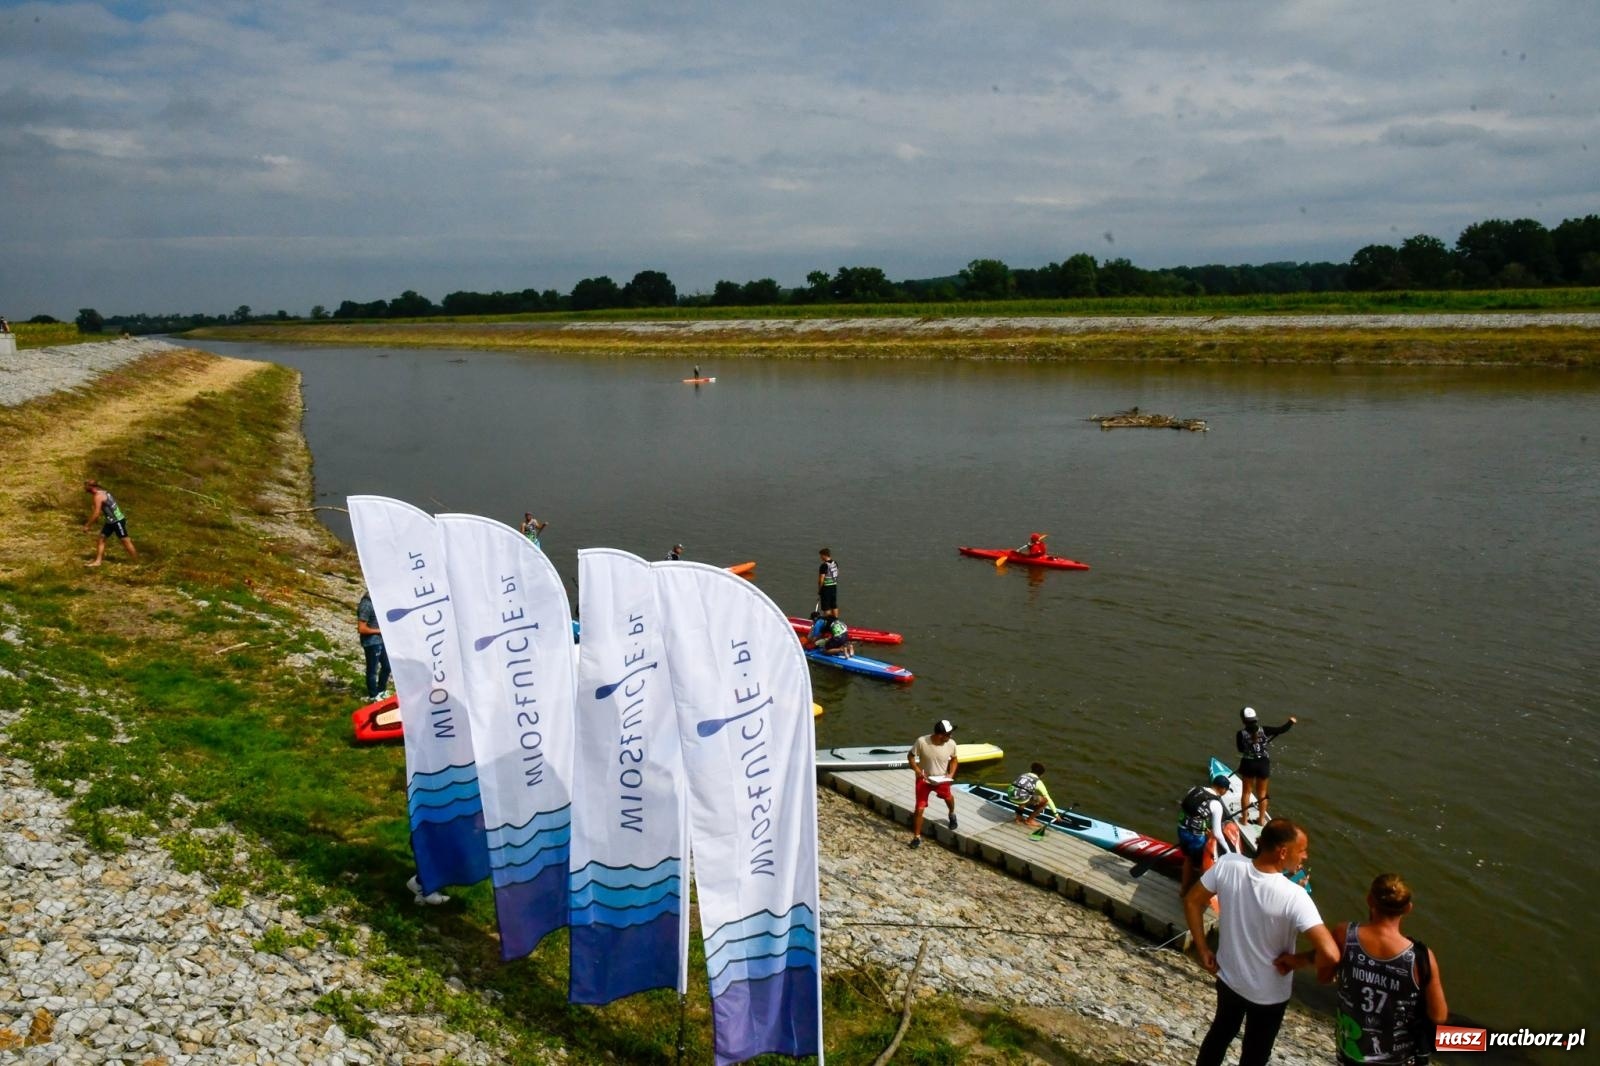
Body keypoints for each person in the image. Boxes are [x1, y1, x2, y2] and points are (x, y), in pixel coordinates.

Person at [1184, 818, 1336, 1066]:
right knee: (1255, 1055)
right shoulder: (1295, 897)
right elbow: (1330, 954)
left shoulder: (1228, 864)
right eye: (1302, 850)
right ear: (1283, 852)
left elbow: (1192, 901)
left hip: (1229, 978)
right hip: (1268, 995)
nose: (1306, 856)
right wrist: (1297, 961)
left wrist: (1203, 949)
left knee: (1219, 1036)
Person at [1280, 873, 1448, 1065]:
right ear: (1408, 908)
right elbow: (1439, 1015)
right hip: (1397, 1058)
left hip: (1351, 1050)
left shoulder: (1345, 935)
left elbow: (1324, 977)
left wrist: (1290, 961)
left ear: (1369, 899)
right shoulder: (1421, 957)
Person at [1236, 706, 1297, 825]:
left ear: (1243, 720)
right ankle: (1261, 820)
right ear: (1255, 719)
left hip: (1248, 764)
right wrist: (1291, 722)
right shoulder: (1265, 730)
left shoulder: (1240, 734)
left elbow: (1241, 749)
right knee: (1262, 794)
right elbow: (1282, 730)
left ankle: (1244, 820)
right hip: (1263, 763)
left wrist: (1251, 746)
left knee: (1246, 792)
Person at [1177, 774, 1236, 894]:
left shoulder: (1194, 789)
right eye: (1225, 790)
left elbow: (1189, 809)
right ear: (1222, 789)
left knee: (1188, 859)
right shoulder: (1216, 804)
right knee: (1203, 865)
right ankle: (1197, 893)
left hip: (1181, 830)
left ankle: (1183, 890)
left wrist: (1204, 827)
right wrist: (1228, 851)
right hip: (1196, 838)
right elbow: (1218, 833)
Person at [906, 720, 960, 847]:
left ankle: (951, 814)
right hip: (924, 780)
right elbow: (910, 756)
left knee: (948, 797)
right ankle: (917, 837)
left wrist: (951, 774)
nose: (950, 736)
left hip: (941, 779)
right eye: (948, 734)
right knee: (919, 809)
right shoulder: (922, 742)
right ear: (940, 734)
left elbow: (954, 760)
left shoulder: (951, 744)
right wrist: (917, 770)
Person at [82, 479, 137, 566]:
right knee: (101, 539)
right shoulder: (103, 492)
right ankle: (98, 561)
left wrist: (87, 525)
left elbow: (96, 513)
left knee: (125, 541)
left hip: (117, 520)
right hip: (110, 521)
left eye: (86, 486)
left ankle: (136, 562)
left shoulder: (98, 496)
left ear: (91, 487)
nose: (84, 488)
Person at [356, 589, 391, 699]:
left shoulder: (377, 602)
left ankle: (381, 690)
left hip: (381, 640)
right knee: (372, 670)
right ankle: (373, 695)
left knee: (387, 666)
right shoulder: (366, 605)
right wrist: (379, 631)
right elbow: (361, 629)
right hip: (371, 642)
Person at [1008, 762, 1059, 827]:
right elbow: (1048, 799)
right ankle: (1029, 820)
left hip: (1010, 796)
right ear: (1041, 774)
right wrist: (1056, 814)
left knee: (1025, 794)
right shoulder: (1038, 781)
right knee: (1045, 801)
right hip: (1021, 798)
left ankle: (1019, 817)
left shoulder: (1024, 775)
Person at [817, 547, 839, 619]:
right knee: (833, 605)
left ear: (824, 555)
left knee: (826, 607)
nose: (820, 557)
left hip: (826, 587)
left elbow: (821, 579)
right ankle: (836, 620)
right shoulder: (835, 563)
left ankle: (828, 621)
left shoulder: (824, 565)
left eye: (821, 556)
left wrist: (820, 589)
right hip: (834, 586)